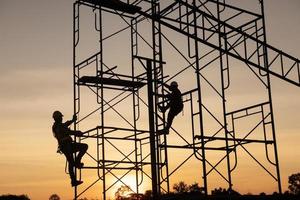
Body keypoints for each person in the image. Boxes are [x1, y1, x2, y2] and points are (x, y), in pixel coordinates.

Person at [52, 111, 88, 187]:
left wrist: (72, 120)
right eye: (61, 117)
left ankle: (73, 180)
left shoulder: (57, 126)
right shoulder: (58, 127)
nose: (62, 118)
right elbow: (68, 131)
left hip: (66, 146)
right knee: (84, 147)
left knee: (71, 162)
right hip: (67, 146)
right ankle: (77, 163)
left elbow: (65, 125)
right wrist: (77, 132)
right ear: (58, 118)